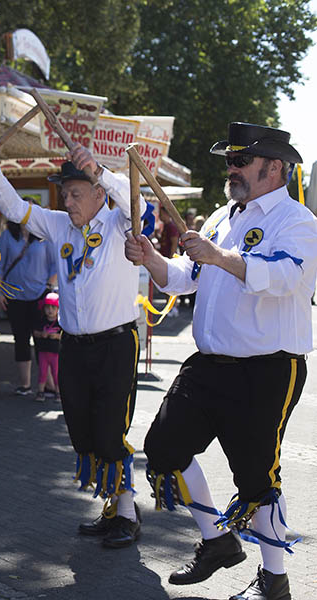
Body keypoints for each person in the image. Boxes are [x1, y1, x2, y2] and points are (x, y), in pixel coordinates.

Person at [126, 122, 317, 600]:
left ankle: (275, 581)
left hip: (268, 368)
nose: (230, 169)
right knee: (164, 446)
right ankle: (218, 541)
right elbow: (184, 277)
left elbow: (286, 280)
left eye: (240, 161)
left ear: (274, 167)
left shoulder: (298, 222)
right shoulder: (220, 216)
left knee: (256, 477)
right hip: (210, 364)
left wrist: (220, 257)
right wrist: (152, 259)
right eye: (228, 160)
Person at [0, 141, 145, 549]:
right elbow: (16, 210)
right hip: (75, 346)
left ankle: (127, 513)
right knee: (83, 432)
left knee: (109, 431)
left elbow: (133, 198)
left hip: (117, 344)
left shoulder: (124, 221)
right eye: (64, 194)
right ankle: (112, 508)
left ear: (98, 194)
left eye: (75, 193)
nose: (67, 201)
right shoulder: (58, 225)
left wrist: (101, 171)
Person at [0, 221, 56, 396]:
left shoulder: (44, 238)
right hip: (14, 296)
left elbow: (55, 264)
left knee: (43, 341)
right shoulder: (7, 236)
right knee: (21, 339)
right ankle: (25, 384)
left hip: (39, 297)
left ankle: (48, 385)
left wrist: (49, 287)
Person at [32, 292, 61, 402]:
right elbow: (35, 332)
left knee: (56, 373)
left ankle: (58, 393)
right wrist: (41, 334)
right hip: (43, 351)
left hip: (55, 352)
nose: (50, 310)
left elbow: (64, 336)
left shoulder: (60, 322)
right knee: (42, 372)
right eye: (47, 307)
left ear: (58, 309)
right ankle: (41, 392)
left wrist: (56, 336)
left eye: (53, 307)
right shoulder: (41, 321)